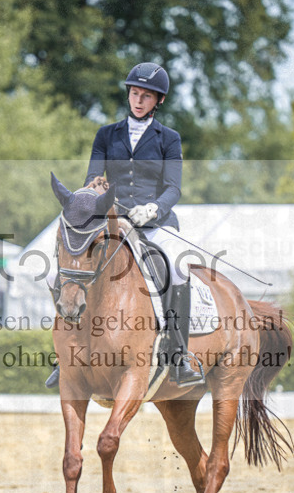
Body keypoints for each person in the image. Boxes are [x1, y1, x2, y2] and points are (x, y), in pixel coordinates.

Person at [46, 62, 204, 388]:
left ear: (158, 101)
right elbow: (93, 177)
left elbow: (174, 188)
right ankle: (67, 352)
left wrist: (154, 208)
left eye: (147, 96)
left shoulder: (169, 139)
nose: (138, 100)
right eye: (134, 93)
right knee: (54, 271)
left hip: (154, 223)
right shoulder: (107, 134)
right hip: (114, 221)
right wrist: (95, 190)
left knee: (179, 268)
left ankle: (178, 355)